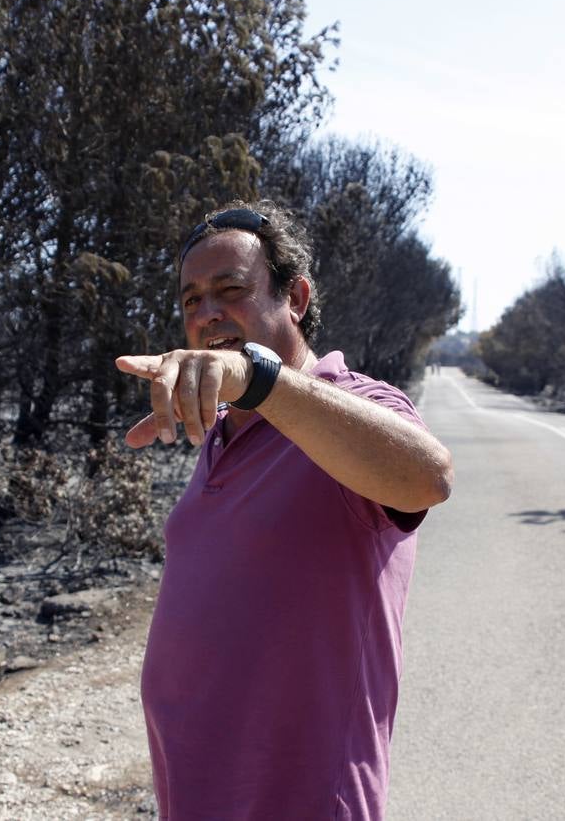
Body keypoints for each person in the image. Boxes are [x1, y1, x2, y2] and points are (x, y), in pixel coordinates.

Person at [115, 202, 453, 820]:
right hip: (198, 792)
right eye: (191, 300)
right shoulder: (221, 432)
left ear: (294, 298)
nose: (207, 312)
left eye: (231, 289)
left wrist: (263, 382)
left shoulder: (349, 405)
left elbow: (426, 477)